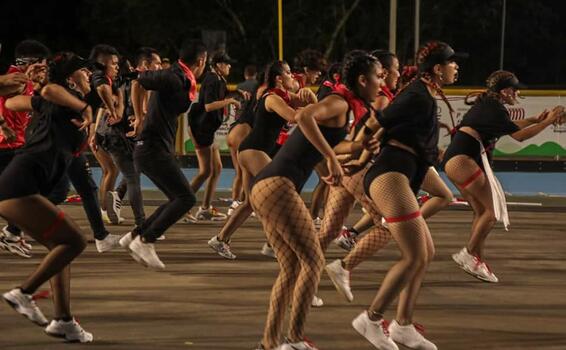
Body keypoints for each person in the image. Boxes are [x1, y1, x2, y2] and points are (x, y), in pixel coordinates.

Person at [250, 52, 382, 350]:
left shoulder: (346, 108)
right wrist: (333, 159)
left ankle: (270, 343)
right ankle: (295, 339)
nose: (381, 81)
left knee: (291, 268)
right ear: (362, 80)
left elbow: (334, 144)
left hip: (268, 186)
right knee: (314, 260)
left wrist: (360, 146)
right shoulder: (339, 102)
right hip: (278, 184)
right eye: (379, 76)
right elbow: (303, 116)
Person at [351, 41, 464, 350]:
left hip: (404, 173)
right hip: (390, 173)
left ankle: (403, 325)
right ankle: (371, 319)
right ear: (438, 69)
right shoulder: (416, 94)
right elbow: (375, 122)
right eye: (453, 63)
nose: (457, 67)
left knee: (426, 253)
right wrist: (359, 156)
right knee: (414, 254)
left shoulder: (424, 94)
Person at [1, 52, 94, 342]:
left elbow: (12, 102)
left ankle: (64, 319)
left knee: (60, 248)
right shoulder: (64, 97)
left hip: (23, 184)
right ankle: (23, 292)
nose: (89, 76)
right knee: (75, 241)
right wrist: (83, 107)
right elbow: (49, 89)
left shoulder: (59, 102)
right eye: (84, 72)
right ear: (70, 77)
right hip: (21, 183)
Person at [445, 70, 565, 283]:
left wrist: (535, 119)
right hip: (464, 161)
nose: (517, 93)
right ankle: (468, 252)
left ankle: (477, 259)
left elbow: (510, 128)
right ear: (505, 91)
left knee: (482, 211)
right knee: (492, 212)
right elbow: (518, 137)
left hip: (456, 161)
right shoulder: (495, 109)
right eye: (515, 89)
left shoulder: (490, 106)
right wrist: (548, 122)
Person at [208, 60, 316, 260]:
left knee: (251, 203)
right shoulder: (273, 98)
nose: (293, 76)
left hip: (250, 150)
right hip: (253, 150)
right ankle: (273, 244)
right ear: (278, 79)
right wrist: (307, 107)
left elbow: (308, 105)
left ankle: (220, 239)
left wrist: (311, 98)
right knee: (279, 193)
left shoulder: (283, 96)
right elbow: (293, 117)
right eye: (289, 73)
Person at [118, 41, 206, 269]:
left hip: (154, 147)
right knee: (187, 198)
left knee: (176, 198)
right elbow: (138, 83)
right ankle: (146, 240)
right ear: (201, 61)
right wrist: (139, 117)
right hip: (151, 147)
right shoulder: (173, 76)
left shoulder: (181, 78)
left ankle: (136, 235)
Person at [0, 39, 50, 258]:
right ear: (33, 62)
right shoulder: (16, 79)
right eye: (43, 63)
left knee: (22, 193)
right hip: (5, 145)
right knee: (22, 194)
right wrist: (2, 125)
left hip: (15, 144)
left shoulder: (25, 79)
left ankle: (12, 234)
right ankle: (11, 234)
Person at [186, 51, 241, 221]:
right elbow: (209, 106)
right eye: (227, 63)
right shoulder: (212, 79)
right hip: (200, 129)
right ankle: (181, 205)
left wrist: (237, 94)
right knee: (205, 171)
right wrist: (230, 101)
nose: (229, 66)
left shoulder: (218, 80)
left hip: (206, 129)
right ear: (218, 65)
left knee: (216, 169)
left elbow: (221, 97)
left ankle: (205, 208)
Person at [87, 44, 124, 224]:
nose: (117, 67)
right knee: (111, 169)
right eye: (114, 64)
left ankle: (102, 210)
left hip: (95, 129)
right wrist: (113, 108)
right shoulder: (99, 77)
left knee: (110, 169)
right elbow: (102, 94)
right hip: (92, 129)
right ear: (102, 64)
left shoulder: (108, 79)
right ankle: (102, 211)